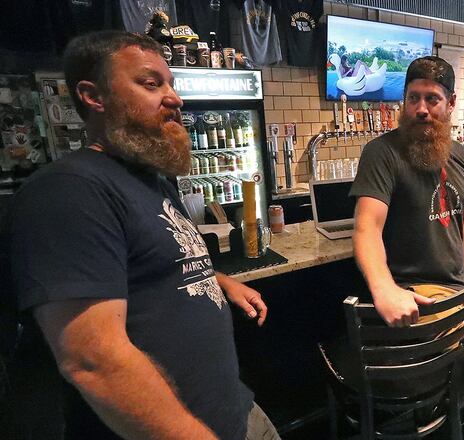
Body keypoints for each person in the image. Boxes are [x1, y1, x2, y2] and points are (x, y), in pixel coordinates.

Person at [9, 31, 279, 440]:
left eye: (172, 84)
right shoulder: (68, 191)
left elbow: (152, 262)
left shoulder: (149, 180)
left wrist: (215, 279)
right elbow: (93, 362)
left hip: (236, 412)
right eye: (152, 84)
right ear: (92, 96)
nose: (175, 99)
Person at [350, 56, 464, 404]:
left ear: (450, 103)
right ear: (403, 101)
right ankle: (434, 418)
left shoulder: (461, 154)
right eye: (413, 98)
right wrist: (384, 289)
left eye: (432, 99)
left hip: (455, 291)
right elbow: (366, 229)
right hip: (416, 292)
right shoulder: (381, 153)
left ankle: (430, 412)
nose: (421, 109)